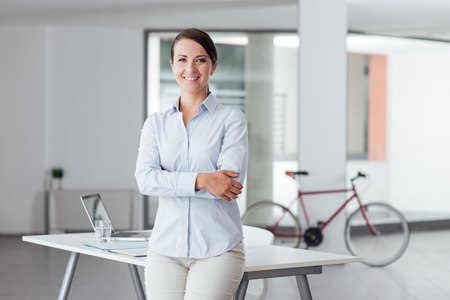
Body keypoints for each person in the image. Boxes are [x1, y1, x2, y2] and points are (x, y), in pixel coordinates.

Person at [135, 28, 248, 300]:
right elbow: (146, 180)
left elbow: (226, 185)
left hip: (218, 248)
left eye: (200, 59)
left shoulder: (231, 120)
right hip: (165, 248)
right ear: (172, 64)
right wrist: (202, 180)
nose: (191, 68)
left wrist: (172, 179)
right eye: (183, 59)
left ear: (213, 65)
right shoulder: (156, 123)